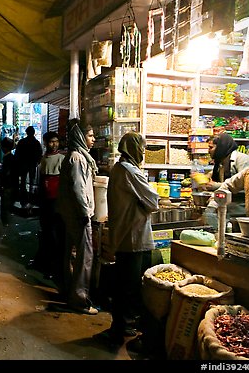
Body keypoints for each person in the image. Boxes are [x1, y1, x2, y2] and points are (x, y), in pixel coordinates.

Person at [101, 131, 160, 346]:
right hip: (133, 238)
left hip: (128, 236)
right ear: (133, 149)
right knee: (128, 288)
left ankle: (122, 326)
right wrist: (146, 203)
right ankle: (118, 331)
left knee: (125, 286)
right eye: (142, 148)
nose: (143, 152)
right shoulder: (128, 170)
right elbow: (153, 201)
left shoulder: (121, 168)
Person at [55, 121, 98, 315]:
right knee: (84, 258)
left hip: (71, 214)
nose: (93, 139)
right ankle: (80, 300)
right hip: (78, 215)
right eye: (90, 136)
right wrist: (85, 213)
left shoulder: (76, 157)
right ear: (81, 137)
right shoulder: (77, 159)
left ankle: (69, 292)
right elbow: (79, 189)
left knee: (71, 255)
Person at [27, 131, 64, 281]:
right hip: (45, 201)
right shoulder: (42, 160)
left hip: (56, 201)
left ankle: (52, 267)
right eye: (51, 142)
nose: (54, 144)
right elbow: (40, 181)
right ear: (45, 143)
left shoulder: (62, 158)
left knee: (53, 235)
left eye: (56, 141)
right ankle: (43, 263)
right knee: (46, 233)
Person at [200, 133, 249, 228]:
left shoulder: (241, 160)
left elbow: (247, 185)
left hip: (242, 210)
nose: (208, 151)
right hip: (229, 209)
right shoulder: (222, 162)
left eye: (211, 147)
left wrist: (215, 186)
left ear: (221, 147)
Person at [14, 125, 43, 208]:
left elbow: (17, 153)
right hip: (32, 164)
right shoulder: (36, 142)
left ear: (26, 132)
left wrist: (18, 162)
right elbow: (39, 154)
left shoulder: (22, 142)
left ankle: (23, 194)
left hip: (23, 163)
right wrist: (37, 161)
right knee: (31, 179)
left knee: (23, 179)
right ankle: (30, 194)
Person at [0, 137, 18, 226]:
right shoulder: (11, 157)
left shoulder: (8, 158)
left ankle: (5, 221)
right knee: (8, 202)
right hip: (11, 184)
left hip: (8, 184)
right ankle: (6, 220)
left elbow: (7, 173)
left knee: (5, 203)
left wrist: (2, 183)